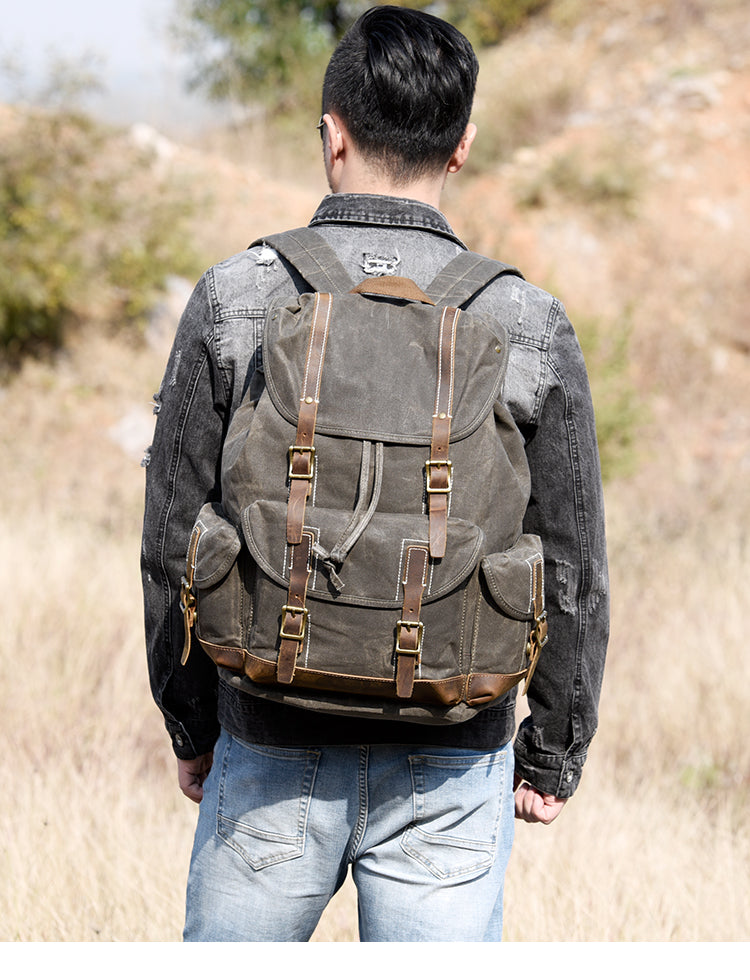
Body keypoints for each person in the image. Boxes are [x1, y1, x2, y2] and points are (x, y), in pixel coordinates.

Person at [141, 5, 608, 943]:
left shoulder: (240, 294)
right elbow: (573, 563)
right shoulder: (526, 321)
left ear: (332, 135)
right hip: (454, 760)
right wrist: (552, 754)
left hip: (267, 743)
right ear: (463, 146)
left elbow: (170, 539)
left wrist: (192, 724)